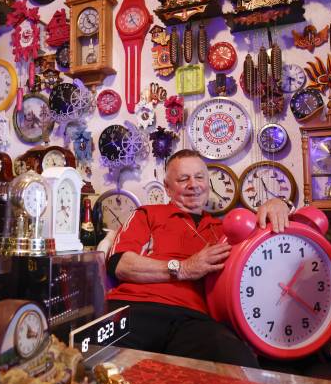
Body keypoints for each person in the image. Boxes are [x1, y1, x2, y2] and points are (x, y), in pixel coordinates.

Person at [105, 149, 293, 367]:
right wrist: (184, 268)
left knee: (241, 366)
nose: (193, 185)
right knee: (95, 365)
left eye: (199, 177)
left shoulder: (225, 229)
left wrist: (279, 204)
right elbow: (119, 264)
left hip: (196, 320)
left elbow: (266, 249)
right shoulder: (147, 213)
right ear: (167, 187)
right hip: (137, 308)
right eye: (183, 179)